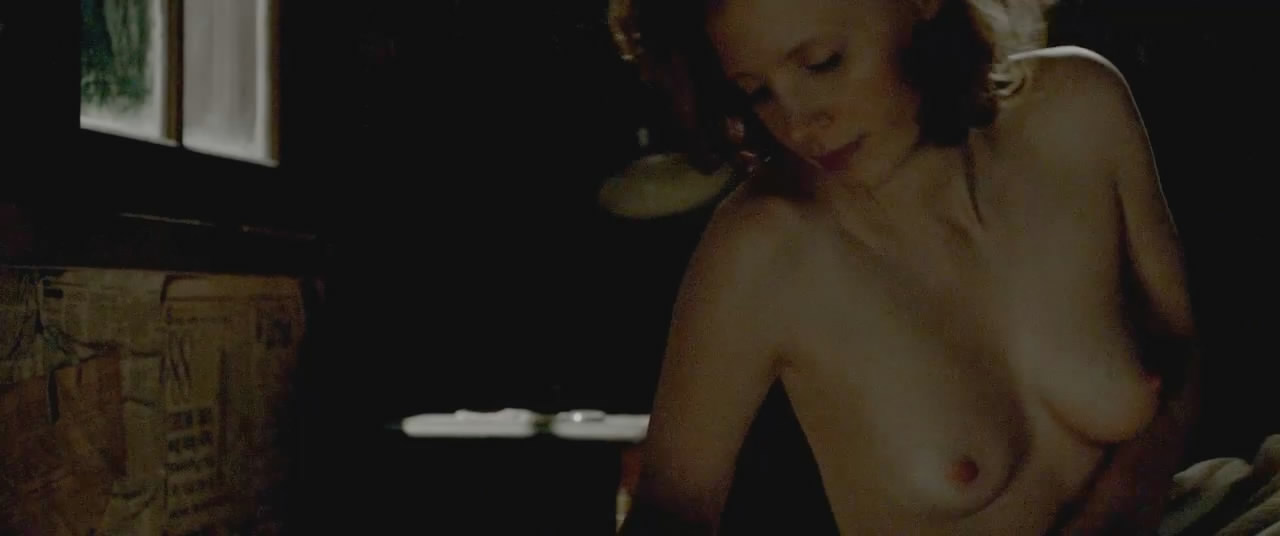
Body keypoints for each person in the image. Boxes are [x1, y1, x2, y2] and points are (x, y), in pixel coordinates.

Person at [610, 0, 1202, 534]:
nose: (797, 124)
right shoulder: (764, 248)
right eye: (757, 92)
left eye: (822, 63)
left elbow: (1177, 349)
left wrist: (1121, 509)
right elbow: (671, 511)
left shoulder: (1079, 107)